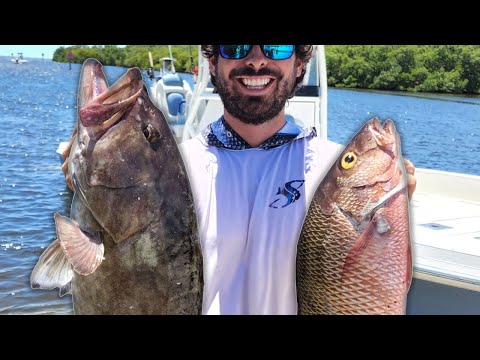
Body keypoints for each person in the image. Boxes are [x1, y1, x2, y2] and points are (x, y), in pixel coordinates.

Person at [61, 45, 417, 315]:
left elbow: (378, 282)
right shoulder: (169, 169)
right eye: (235, 45)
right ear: (212, 62)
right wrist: (88, 180)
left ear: (300, 63)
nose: (257, 59)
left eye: (277, 46)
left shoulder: (334, 171)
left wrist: (398, 215)